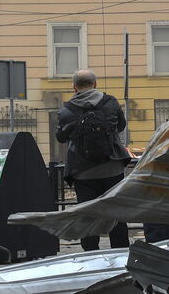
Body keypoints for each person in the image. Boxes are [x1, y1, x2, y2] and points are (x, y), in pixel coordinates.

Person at [55, 68, 132, 251]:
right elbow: (121, 126)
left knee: (87, 214)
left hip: (82, 172)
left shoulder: (66, 111)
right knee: (116, 211)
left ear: (74, 87)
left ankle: (90, 253)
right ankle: (120, 251)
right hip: (112, 167)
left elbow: (61, 138)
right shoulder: (111, 103)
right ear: (95, 84)